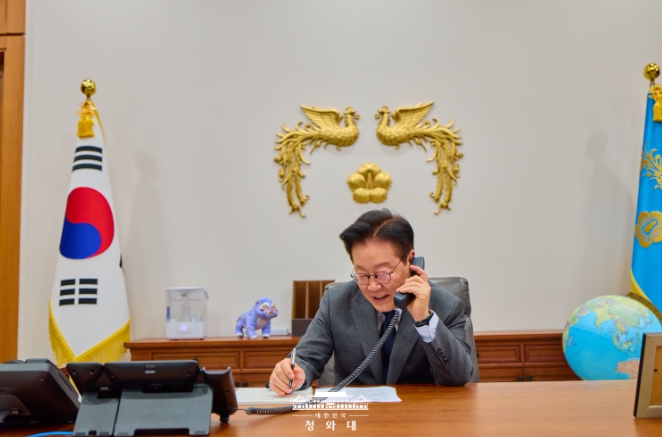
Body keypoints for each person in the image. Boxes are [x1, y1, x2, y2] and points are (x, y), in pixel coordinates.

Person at [269, 209, 474, 395]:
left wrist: (424, 319)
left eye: (382, 274)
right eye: (362, 275)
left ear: (410, 260)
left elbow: (459, 376)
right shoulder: (336, 302)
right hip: (357, 415)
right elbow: (306, 357)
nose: (373, 286)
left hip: (420, 416)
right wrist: (292, 373)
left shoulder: (446, 305)